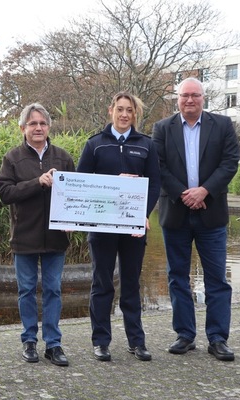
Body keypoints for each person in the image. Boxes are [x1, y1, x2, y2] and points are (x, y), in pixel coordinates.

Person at [152, 77, 240, 362]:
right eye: (184, 96)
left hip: (211, 213)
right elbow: (159, 167)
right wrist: (183, 193)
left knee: (217, 280)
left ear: (204, 98)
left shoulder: (223, 125)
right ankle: (185, 335)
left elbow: (230, 162)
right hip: (176, 213)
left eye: (195, 95)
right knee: (177, 278)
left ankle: (217, 339)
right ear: (177, 98)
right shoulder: (162, 128)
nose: (190, 100)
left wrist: (204, 190)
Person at [76, 92, 161, 362]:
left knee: (131, 284)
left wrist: (143, 215)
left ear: (135, 114)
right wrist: (115, 181)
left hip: (132, 228)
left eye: (130, 111)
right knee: (102, 285)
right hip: (102, 226)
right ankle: (101, 341)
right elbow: (82, 184)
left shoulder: (146, 145)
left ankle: (137, 341)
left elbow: (154, 185)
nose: (125, 115)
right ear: (110, 110)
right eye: (120, 109)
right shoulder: (95, 145)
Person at [0, 103, 74, 367]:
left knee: (53, 290)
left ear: (49, 127)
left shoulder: (63, 157)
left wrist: (72, 219)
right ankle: (29, 341)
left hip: (55, 238)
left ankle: (53, 344)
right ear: (23, 128)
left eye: (42, 123)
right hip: (24, 236)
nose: (38, 128)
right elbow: (5, 193)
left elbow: (74, 195)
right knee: (27, 290)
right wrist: (36, 182)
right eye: (32, 123)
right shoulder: (13, 158)